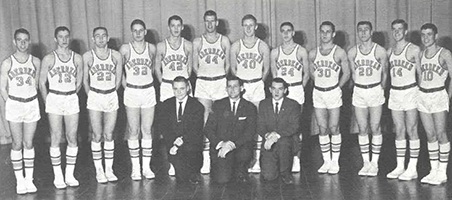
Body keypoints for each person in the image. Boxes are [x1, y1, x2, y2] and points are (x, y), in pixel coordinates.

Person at [39, 26, 83, 188]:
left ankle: (69, 175)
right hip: (54, 99)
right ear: (55, 39)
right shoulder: (49, 59)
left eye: (66, 36)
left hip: (71, 98)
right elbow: (42, 83)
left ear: (69, 38)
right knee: (56, 137)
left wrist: (70, 94)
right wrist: (48, 101)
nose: (64, 40)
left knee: (72, 137)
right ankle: (58, 176)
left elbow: (79, 82)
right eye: (60, 37)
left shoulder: (77, 58)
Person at [0, 28, 41, 194]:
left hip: (31, 104)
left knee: (29, 143)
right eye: (19, 40)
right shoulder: (7, 62)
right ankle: (19, 180)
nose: (22, 43)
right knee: (17, 144)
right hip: (15, 105)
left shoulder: (36, 61)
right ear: (14, 42)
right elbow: (2, 87)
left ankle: (29, 179)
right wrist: (10, 102)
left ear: (29, 41)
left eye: (25, 40)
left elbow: (36, 84)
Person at [308, 21, 350, 174]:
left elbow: (347, 73)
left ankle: (335, 161)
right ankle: (326, 161)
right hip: (318, 92)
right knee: (322, 128)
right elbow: (312, 73)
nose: (325, 34)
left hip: (333, 92)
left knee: (334, 127)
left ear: (333, 34)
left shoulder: (339, 52)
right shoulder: (313, 53)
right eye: (322, 31)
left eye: (328, 32)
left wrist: (337, 87)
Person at [193, 10, 232, 174]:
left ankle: (223, 157)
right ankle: (206, 160)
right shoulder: (197, 41)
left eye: (212, 21)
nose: (209, 24)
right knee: (205, 122)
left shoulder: (224, 40)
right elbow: (194, 66)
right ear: (204, 22)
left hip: (220, 82)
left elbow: (229, 64)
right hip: (203, 83)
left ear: (217, 22)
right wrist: (204, 76)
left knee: (223, 121)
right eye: (206, 21)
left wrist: (220, 77)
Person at [348, 21, 388, 177]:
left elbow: (385, 73)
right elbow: (352, 74)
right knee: (362, 127)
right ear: (357, 33)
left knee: (375, 126)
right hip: (359, 90)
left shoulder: (380, 51)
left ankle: (375, 163)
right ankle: (366, 163)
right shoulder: (352, 52)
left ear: (371, 32)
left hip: (375, 89)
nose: (363, 33)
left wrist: (380, 89)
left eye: (366, 30)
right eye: (360, 30)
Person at [83, 27, 123, 183]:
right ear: (93, 39)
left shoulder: (116, 55)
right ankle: (99, 169)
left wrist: (111, 92)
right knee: (97, 134)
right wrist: (91, 95)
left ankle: (109, 168)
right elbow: (84, 80)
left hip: (111, 95)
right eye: (97, 36)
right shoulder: (87, 56)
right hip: (94, 95)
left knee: (109, 134)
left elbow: (119, 78)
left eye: (103, 36)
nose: (100, 38)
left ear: (108, 38)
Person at [231, 14, 270, 173]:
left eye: (251, 25)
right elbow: (233, 69)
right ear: (242, 26)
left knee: (258, 123)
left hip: (257, 86)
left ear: (255, 27)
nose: (248, 28)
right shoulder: (236, 46)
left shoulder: (262, 46)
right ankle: (240, 160)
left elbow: (266, 69)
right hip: (242, 87)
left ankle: (257, 160)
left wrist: (258, 82)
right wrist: (240, 86)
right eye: (245, 25)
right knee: (240, 123)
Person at [119, 19, 157, 180]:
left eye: (141, 30)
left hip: (148, 90)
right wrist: (126, 86)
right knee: (133, 130)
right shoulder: (125, 49)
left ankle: (146, 168)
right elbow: (118, 71)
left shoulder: (152, 48)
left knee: (147, 130)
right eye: (135, 30)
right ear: (131, 32)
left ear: (145, 31)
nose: (138, 33)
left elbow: (153, 68)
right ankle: (136, 168)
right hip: (132, 92)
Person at [270, 22, 309, 173]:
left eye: (288, 31)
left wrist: (299, 87)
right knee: (279, 123)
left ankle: (296, 158)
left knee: (296, 126)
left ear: (293, 33)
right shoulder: (275, 52)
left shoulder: (301, 51)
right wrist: (279, 90)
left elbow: (307, 74)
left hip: (296, 88)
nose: (286, 34)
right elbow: (274, 75)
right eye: (283, 31)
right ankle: (280, 157)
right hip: (280, 90)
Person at [385, 19, 421, 180]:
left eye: (400, 29)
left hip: (411, 91)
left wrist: (421, 92)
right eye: (394, 29)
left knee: (412, 129)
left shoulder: (414, 49)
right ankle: (400, 166)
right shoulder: (389, 51)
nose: (397, 32)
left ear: (406, 31)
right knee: (399, 130)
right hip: (395, 93)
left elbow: (421, 74)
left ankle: (412, 168)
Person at [204, 76, 257, 183]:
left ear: (242, 88)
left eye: (235, 86)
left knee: (239, 177)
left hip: (239, 147)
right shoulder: (218, 105)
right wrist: (220, 144)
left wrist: (232, 144)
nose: (232, 89)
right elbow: (208, 129)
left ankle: (240, 169)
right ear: (226, 89)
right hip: (221, 148)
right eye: (229, 86)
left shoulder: (249, 107)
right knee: (222, 180)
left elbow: (250, 132)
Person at [417, 23, 452, 185]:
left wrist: (448, 97)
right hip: (423, 96)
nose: (426, 37)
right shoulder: (421, 54)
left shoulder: (444, 53)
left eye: (429, 34)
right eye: (423, 34)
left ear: (436, 36)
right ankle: (433, 169)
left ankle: (442, 172)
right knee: (430, 135)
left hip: (438, 95)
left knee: (441, 133)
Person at [157, 76, 204, 184]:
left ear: (188, 88)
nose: (179, 92)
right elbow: (165, 128)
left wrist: (181, 141)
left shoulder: (197, 106)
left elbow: (196, 130)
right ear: (172, 89)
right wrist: (174, 143)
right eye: (176, 89)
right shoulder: (166, 105)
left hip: (190, 145)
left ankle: (193, 170)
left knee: (189, 174)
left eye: (182, 88)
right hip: (173, 145)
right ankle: (175, 164)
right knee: (181, 179)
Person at [258, 78, 300, 185]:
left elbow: (294, 126)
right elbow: (260, 125)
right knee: (268, 176)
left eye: (280, 89)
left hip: (286, 141)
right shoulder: (263, 104)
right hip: (269, 141)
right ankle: (273, 164)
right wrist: (267, 135)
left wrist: (276, 135)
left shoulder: (293, 104)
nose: (276, 92)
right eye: (274, 89)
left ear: (285, 90)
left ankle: (286, 172)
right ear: (269, 89)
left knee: (284, 142)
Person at [155, 15, 193, 102]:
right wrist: (164, 83)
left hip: (184, 86)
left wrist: (184, 82)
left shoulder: (188, 45)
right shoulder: (161, 46)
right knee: (167, 114)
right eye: (173, 26)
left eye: (178, 26)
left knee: (187, 113)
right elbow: (157, 68)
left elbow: (189, 68)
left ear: (182, 27)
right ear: (168, 28)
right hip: (168, 85)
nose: (176, 29)